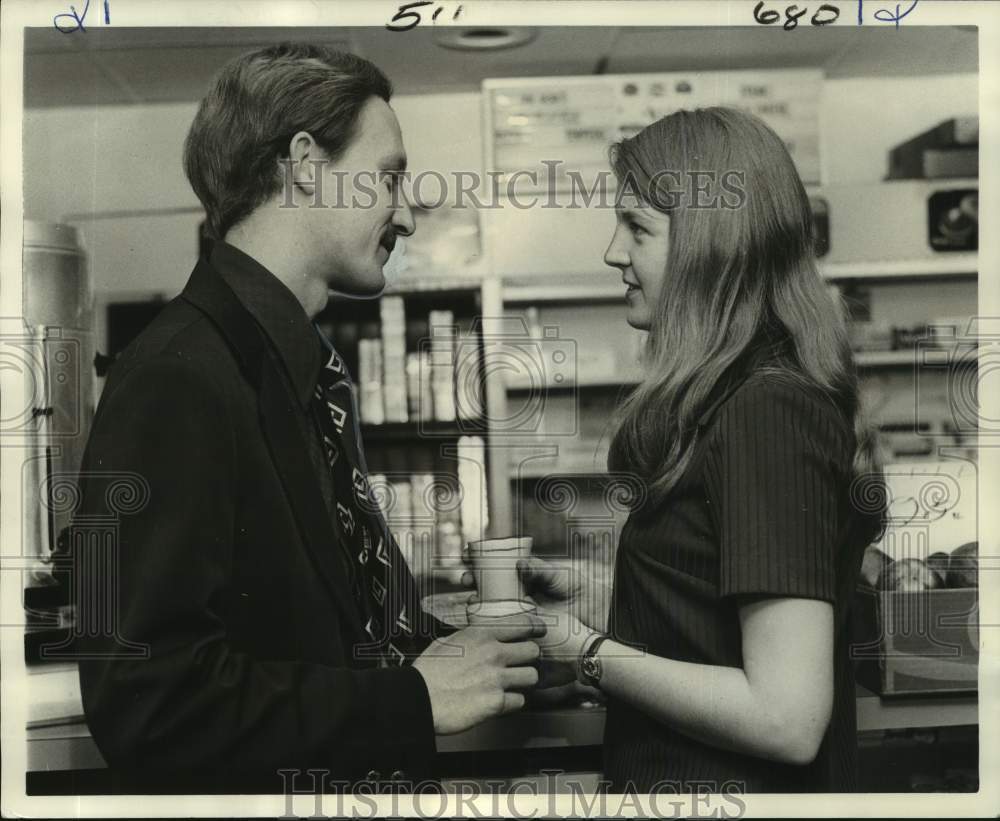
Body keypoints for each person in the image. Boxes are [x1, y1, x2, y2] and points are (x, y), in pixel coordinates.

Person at [70, 43, 543, 794]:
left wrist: (468, 644)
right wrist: (413, 697)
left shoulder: (298, 371)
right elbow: (145, 703)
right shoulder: (177, 376)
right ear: (305, 163)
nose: (409, 215)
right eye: (390, 177)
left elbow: (316, 630)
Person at [520, 107, 885, 793]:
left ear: (709, 247)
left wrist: (585, 649)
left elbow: (786, 716)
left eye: (638, 228)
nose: (611, 252)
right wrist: (610, 598)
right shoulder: (736, 399)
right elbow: (720, 617)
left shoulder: (767, 410)